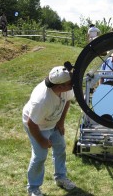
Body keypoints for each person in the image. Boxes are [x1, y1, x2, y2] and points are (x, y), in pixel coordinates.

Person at [22, 66, 76, 196]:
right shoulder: (42, 100)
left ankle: (60, 177)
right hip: (37, 126)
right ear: (60, 86)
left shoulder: (64, 88)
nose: (73, 84)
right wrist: (42, 140)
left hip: (52, 122)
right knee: (40, 156)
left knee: (60, 147)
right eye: (71, 83)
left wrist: (61, 122)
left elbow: (67, 101)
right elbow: (31, 123)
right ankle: (33, 188)